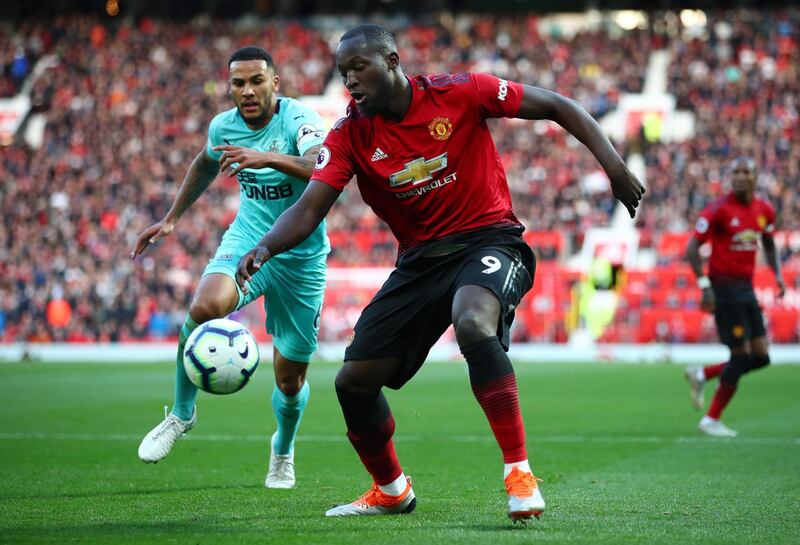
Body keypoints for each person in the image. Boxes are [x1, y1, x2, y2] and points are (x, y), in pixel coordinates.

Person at [235, 24, 644, 520]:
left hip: (490, 240)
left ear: (392, 60)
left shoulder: (460, 92)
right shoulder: (348, 134)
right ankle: (390, 489)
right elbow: (309, 209)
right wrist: (265, 247)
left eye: (359, 68)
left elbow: (559, 105)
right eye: (344, 73)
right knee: (353, 383)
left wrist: (615, 167)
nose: (350, 82)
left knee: (472, 321)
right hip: (419, 263)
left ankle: (519, 473)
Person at [131, 46, 329, 489]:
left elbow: (322, 165)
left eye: (257, 80)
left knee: (290, 379)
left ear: (275, 83)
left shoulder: (298, 119)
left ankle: (283, 449)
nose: (247, 90)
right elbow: (204, 164)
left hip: (301, 255)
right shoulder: (223, 126)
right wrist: (171, 218)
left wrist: (267, 158)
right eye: (238, 83)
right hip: (247, 242)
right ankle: (182, 414)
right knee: (205, 305)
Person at [684, 157, 784, 437]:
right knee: (740, 357)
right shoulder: (718, 210)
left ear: (755, 177)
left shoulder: (764, 210)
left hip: (746, 289)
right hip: (724, 290)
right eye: (736, 172)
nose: (740, 177)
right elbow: (691, 250)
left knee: (761, 357)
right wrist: (705, 286)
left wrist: (777, 274)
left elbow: (769, 243)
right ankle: (710, 420)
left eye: (746, 172)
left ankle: (702, 374)